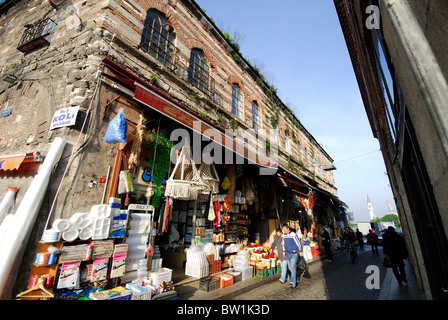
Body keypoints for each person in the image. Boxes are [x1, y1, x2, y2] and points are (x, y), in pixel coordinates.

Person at [281, 223, 303, 288]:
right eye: (283, 230)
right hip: (288, 253)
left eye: (284, 230)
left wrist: (301, 251)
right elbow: (283, 244)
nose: (284, 231)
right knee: (290, 268)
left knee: (292, 267)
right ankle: (296, 278)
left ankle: (293, 282)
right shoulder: (284, 236)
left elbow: (299, 243)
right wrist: (283, 251)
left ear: (288, 229)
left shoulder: (293, 235)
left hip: (294, 253)